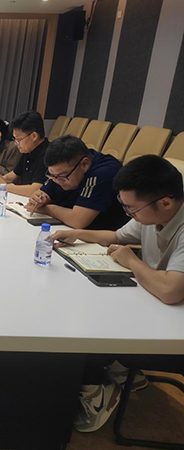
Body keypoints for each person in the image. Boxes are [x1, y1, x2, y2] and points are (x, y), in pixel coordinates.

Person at [50, 155, 184, 433]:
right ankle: (121, 369)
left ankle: (99, 389)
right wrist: (77, 234)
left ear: (166, 203)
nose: (128, 213)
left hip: (175, 329)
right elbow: (117, 236)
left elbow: (171, 291)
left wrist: (132, 261)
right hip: (156, 303)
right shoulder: (151, 212)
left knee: (92, 320)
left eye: (131, 208)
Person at [24, 135, 129, 230]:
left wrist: (47, 208)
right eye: (52, 175)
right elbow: (43, 193)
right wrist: (40, 199)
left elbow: (78, 220)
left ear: (84, 164)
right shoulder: (62, 172)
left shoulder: (104, 172)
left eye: (62, 176)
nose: (57, 181)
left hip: (105, 240)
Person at [0, 110, 49, 197]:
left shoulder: (47, 154)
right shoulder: (28, 149)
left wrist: (4, 186)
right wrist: (1, 178)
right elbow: (15, 174)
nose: (16, 143)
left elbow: (35, 189)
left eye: (18, 139)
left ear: (34, 136)